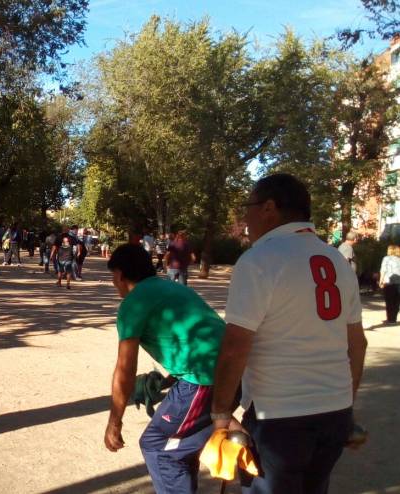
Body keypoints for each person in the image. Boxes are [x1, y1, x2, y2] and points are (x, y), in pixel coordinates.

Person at [209, 173, 367, 494]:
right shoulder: (337, 261)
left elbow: (235, 347)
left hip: (279, 416)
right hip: (335, 411)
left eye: (248, 207)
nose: (246, 218)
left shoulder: (259, 260)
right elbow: (358, 344)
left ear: (269, 208)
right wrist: (345, 404)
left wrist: (221, 413)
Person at [103, 244, 225, 494]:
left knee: (158, 447)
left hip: (205, 380)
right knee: (178, 447)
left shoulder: (133, 304)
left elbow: (125, 368)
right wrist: (169, 380)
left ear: (120, 274)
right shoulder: (171, 287)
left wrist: (114, 422)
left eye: (113, 276)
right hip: (230, 370)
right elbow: (200, 339)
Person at [379, 244, 400, 324]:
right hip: (399, 282)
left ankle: (390, 319)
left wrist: (381, 280)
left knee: (389, 301)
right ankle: (393, 318)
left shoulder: (386, 259)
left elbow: (383, 270)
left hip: (388, 282)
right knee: (396, 301)